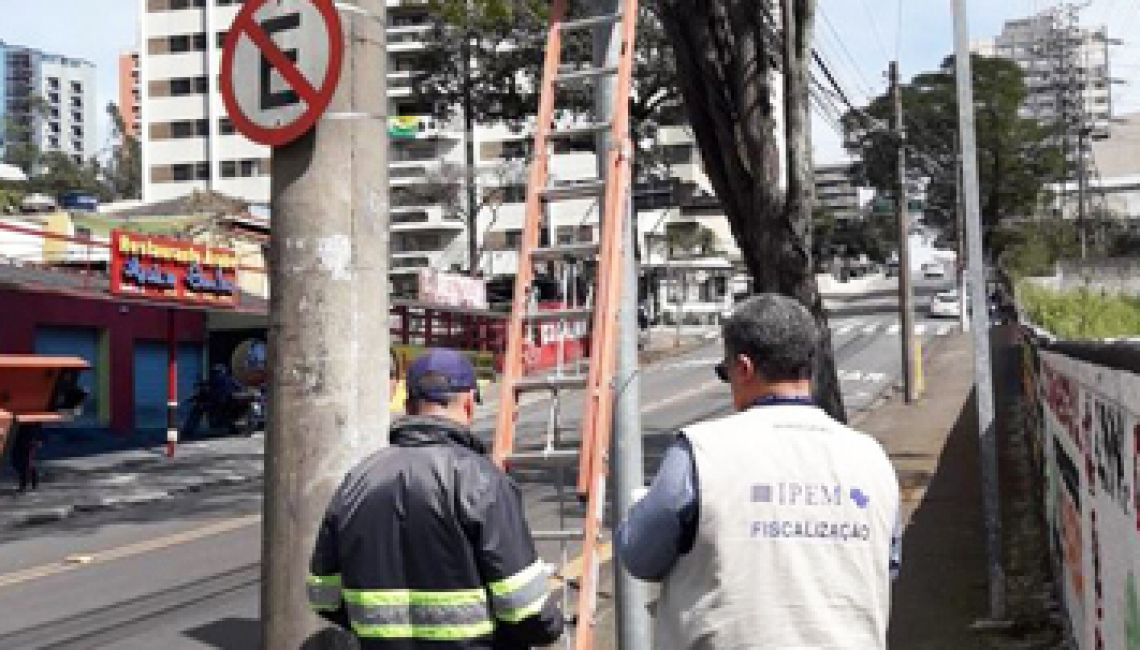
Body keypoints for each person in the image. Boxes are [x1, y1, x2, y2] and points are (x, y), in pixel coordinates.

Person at [616, 294, 901, 649]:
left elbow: (639, 555)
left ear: (744, 368)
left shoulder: (700, 453)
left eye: (725, 372)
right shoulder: (872, 459)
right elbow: (886, 566)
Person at [308, 348, 563, 649]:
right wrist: (551, 625)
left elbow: (324, 595)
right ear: (468, 404)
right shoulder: (482, 481)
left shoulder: (358, 480)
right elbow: (527, 611)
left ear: (406, 405)